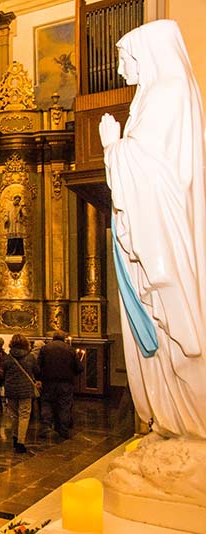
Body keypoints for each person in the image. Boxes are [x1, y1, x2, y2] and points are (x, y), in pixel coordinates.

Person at [99, 20, 206, 440]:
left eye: (125, 60)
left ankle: (188, 421)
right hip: (148, 222)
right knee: (160, 345)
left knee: (172, 330)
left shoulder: (168, 92)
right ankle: (174, 419)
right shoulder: (152, 95)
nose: (122, 72)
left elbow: (156, 172)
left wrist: (113, 144)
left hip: (161, 229)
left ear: (146, 54)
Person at [38, 332, 82, 439]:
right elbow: (79, 367)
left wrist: (40, 378)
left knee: (47, 404)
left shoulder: (45, 349)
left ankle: (46, 427)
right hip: (65, 383)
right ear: (64, 338)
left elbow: (38, 365)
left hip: (48, 382)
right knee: (64, 406)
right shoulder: (70, 350)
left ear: (53, 338)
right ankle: (63, 430)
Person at [3, 333, 39, 453]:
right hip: (26, 389)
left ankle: (14, 436)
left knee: (13, 415)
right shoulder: (30, 357)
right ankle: (20, 442)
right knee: (24, 415)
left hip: (11, 389)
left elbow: (4, 371)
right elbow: (37, 371)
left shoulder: (8, 357)